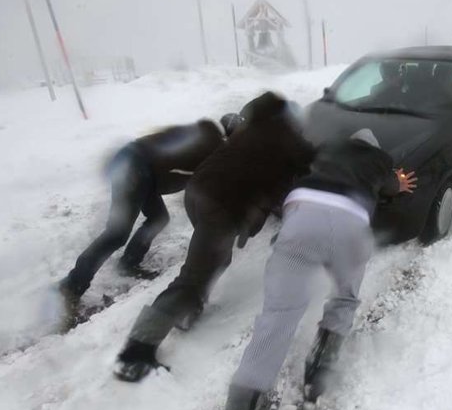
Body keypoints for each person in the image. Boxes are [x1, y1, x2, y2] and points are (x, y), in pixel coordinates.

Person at [191, 128, 417, 410]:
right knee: (344, 297)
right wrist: (396, 185)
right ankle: (317, 376)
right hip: (350, 223)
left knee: (276, 320)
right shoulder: (379, 161)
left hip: (302, 218)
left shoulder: (323, 156)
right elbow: (391, 189)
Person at [113, 92, 315, 383]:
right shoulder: (290, 141)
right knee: (192, 279)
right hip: (220, 205)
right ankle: (135, 352)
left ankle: (187, 311)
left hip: (198, 194)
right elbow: (315, 163)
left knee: (216, 258)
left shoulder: (253, 129)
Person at [58, 114, 244, 310]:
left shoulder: (204, 133)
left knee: (158, 217)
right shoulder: (213, 148)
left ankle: (129, 262)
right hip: (135, 167)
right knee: (117, 234)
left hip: (138, 164)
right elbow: (206, 191)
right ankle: (71, 286)